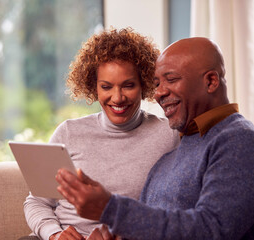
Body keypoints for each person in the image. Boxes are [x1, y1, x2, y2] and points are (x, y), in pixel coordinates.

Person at [56, 37, 254, 239]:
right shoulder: (178, 149)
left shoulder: (241, 143)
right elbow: (153, 225)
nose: (159, 93)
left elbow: (212, 230)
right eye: (156, 84)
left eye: (171, 79)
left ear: (211, 82)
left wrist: (110, 208)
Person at [21, 28, 180, 240]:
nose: (117, 98)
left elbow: (176, 210)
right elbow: (37, 201)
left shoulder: (169, 136)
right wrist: (55, 235)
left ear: (144, 83)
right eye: (106, 86)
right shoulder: (68, 133)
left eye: (128, 86)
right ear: (93, 87)